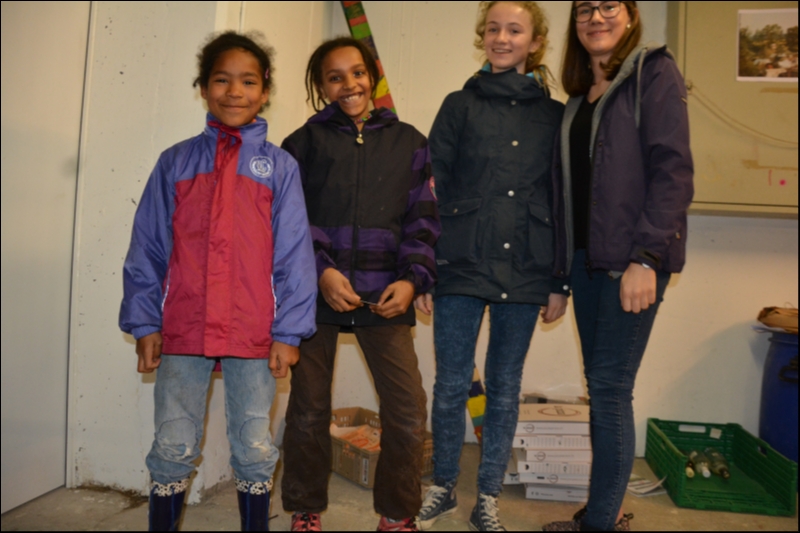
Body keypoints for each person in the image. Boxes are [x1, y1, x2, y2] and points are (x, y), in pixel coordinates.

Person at [119, 31, 317, 532]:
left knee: (254, 445)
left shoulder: (279, 168)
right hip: (183, 326)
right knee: (172, 443)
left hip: (254, 330)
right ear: (203, 87)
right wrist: (145, 322)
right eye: (222, 80)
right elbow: (148, 246)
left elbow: (295, 255)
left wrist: (288, 332)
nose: (234, 92)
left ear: (264, 90)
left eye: (248, 81)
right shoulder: (176, 162)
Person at [279, 37, 441, 532]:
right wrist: (321, 271)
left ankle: (396, 513)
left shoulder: (410, 142)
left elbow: (423, 219)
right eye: (334, 77)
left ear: (373, 77)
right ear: (320, 85)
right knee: (308, 409)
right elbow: (288, 223)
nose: (348, 84)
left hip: (385, 297)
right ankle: (306, 509)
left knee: (408, 410)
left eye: (357, 73)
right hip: (314, 296)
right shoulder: (300, 145)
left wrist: (411, 281)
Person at [542, 2, 693, 531]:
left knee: (609, 391)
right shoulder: (578, 97)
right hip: (586, 262)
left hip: (631, 262)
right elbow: (566, 193)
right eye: (585, 8)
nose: (596, 16)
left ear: (629, 15)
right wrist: (560, 276)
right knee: (602, 390)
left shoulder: (654, 71)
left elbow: (673, 172)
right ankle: (603, 513)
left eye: (609, 5)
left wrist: (646, 258)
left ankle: (601, 523)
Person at [417, 3, 568, 531]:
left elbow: (563, 200)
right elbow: (429, 190)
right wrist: (422, 268)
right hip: (460, 260)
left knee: (504, 387)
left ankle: (487, 497)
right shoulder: (458, 105)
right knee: (451, 383)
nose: (501, 38)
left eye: (514, 30)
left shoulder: (555, 116)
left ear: (535, 42)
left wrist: (559, 280)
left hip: (527, 265)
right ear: (483, 36)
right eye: (493, 29)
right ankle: (442, 485)